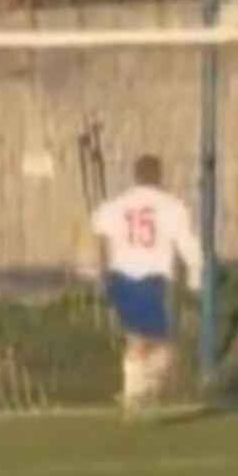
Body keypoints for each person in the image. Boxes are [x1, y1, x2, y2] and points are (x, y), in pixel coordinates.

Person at [90, 154, 202, 419]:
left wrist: (96, 272)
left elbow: (97, 229)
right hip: (151, 278)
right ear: (159, 175)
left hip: (120, 277)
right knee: (160, 345)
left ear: (136, 175)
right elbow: (187, 244)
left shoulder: (117, 204)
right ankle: (138, 392)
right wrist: (195, 277)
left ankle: (134, 394)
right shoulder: (172, 206)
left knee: (139, 339)